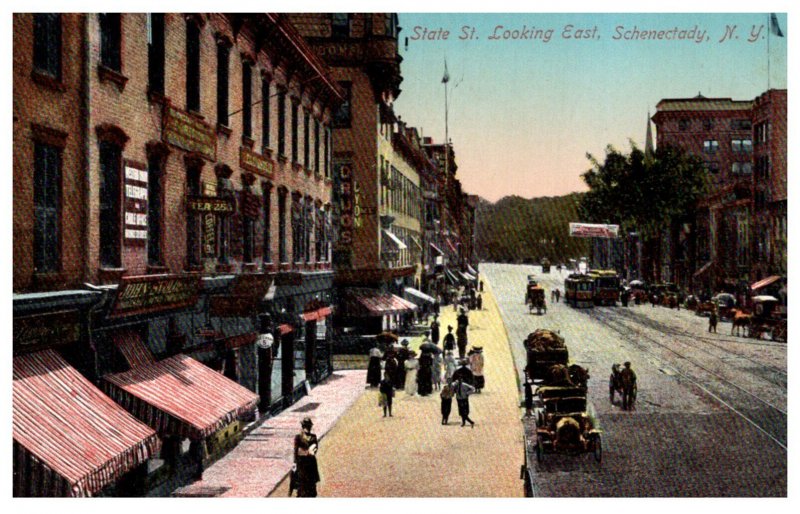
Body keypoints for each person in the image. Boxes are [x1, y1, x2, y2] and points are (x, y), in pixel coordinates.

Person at [293, 417, 320, 497]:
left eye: (308, 426)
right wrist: (308, 452)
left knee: (311, 488)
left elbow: (314, 450)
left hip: (310, 465)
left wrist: (305, 452)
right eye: (307, 426)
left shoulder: (313, 437)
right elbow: (296, 451)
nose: (308, 428)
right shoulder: (298, 437)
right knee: (302, 488)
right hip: (302, 466)